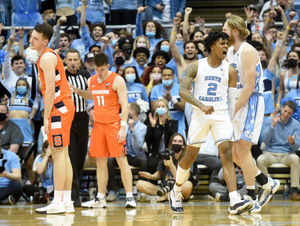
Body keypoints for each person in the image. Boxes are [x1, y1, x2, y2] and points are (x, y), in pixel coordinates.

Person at [169, 31, 253, 215]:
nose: (226, 47)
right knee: (190, 155)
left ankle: (234, 200)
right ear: (212, 46)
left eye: (227, 44)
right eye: (222, 43)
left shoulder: (230, 70)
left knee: (226, 154)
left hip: (221, 115)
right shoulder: (195, 67)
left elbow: (232, 101)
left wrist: (233, 120)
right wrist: (200, 104)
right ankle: (175, 192)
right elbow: (182, 91)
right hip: (200, 114)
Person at [223, 15, 279, 212]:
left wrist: (233, 110)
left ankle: (253, 195)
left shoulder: (248, 51)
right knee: (237, 153)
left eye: (225, 29)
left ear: (235, 31)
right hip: (238, 102)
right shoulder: (230, 51)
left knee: (243, 150)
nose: (223, 32)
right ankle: (265, 183)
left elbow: (249, 87)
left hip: (252, 100)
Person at [72, 52, 137, 208]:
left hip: (114, 125)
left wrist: (123, 127)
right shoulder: (92, 79)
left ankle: (129, 197)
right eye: (96, 69)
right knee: (100, 161)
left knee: (121, 160)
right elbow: (92, 95)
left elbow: (125, 104)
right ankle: (100, 198)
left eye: (101, 70)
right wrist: (77, 91)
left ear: (107, 66)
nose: (99, 73)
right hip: (98, 125)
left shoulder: (117, 80)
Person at [30, 23, 75, 214]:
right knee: (63, 155)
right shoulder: (49, 54)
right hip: (63, 107)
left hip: (57, 108)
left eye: (34, 38)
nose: (30, 40)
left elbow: (48, 92)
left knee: (58, 155)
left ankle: (58, 201)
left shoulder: (47, 57)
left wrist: (46, 117)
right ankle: (66, 201)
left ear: (45, 41)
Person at [258, 100, 300, 201]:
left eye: (289, 113)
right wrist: (272, 125)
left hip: (287, 154)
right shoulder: (270, 120)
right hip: (270, 153)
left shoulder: (296, 124)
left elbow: (296, 147)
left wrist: (292, 142)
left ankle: (294, 190)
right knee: (260, 160)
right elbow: (264, 139)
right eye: (285, 111)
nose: (286, 114)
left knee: (295, 159)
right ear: (281, 108)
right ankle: (266, 189)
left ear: (292, 114)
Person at [65, 49, 91, 207]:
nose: (73, 62)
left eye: (75, 59)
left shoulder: (85, 74)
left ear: (79, 61)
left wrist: (77, 91)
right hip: (67, 118)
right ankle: (73, 196)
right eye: (70, 59)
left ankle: (76, 192)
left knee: (80, 156)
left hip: (82, 117)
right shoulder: (61, 75)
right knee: (71, 157)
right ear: (65, 61)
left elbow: (91, 95)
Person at [137, 133, 192, 202]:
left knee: (188, 185)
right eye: (174, 141)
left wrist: (171, 165)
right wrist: (150, 176)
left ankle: (162, 198)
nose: (177, 143)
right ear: (171, 144)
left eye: (180, 141)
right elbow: (159, 174)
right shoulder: (167, 156)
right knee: (139, 183)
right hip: (164, 189)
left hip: (179, 189)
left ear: (183, 145)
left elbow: (182, 181)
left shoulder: (187, 159)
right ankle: (166, 197)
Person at [0, 139, 23, 205]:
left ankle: (4, 199)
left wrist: (6, 174)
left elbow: (18, 177)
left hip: (7, 187)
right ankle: (5, 200)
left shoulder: (11, 155)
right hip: (6, 193)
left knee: (17, 186)